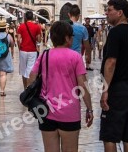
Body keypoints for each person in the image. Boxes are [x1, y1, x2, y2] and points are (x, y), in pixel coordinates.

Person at [28, 21, 94, 152]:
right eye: (71, 36)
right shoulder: (75, 57)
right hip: (69, 112)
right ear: (67, 38)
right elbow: (83, 85)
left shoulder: (44, 55)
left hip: (46, 111)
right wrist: (89, 109)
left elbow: (31, 78)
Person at [99, 0, 128, 152]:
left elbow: (111, 62)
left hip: (118, 88)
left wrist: (105, 90)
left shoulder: (115, 32)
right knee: (127, 135)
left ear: (120, 12)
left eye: (109, 10)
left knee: (109, 134)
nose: (106, 13)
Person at [16, 11, 42, 88]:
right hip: (33, 51)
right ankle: (29, 88)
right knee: (30, 70)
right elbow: (39, 40)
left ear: (25, 17)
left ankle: (25, 88)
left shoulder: (21, 26)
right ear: (32, 17)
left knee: (23, 70)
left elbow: (18, 39)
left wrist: (19, 47)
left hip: (23, 50)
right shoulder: (37, 27)